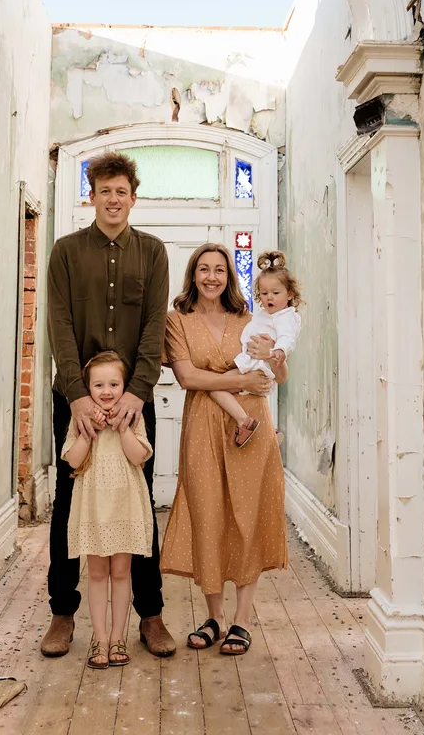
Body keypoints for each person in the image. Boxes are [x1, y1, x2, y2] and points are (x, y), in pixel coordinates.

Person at [41, 151, 175, 659]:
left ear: (133, 198)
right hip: (77, 403)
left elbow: (153, 329)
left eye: (122, 191)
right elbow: (59, 324)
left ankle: (152, 614)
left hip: (134, 401)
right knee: (69, 502)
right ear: (90, 196)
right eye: (104, 191)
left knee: (139, 503)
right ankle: (62, 612)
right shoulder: (66, 252)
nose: (113, 199)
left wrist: (138, 394)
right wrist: (76, 394)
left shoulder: (154, 252)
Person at [160, 243, 288, 657]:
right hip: (202, 426)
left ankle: (242, 621)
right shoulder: (177, 321)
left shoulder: (252, 319)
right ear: (193, 275)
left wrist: (275, 360)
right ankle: (214, 616)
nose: (212, 277)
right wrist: (241, 383)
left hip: (251, 427)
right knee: (208, 512)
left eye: (220, 270)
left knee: (247, 514)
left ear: (230, 277)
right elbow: (188, 377)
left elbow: (277, 375)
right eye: (204, 269)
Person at [62, 352, 153, 669]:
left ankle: (118, 638)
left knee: (121, 572)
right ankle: (99, 640)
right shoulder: (81, 420)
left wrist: (122, 427)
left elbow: (139, 456)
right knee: (98, 573)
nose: (106, 390)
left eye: (114, 383)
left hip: (124, 506)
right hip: (94, 509)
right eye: (98, 384)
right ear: (88, 389)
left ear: (124, 386)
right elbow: (73, 461)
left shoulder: (132, 418)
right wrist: (90, 432)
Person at [210, 250, 302, 447]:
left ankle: (245, 422)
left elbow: (287, 337)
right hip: (252, 363)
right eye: (264, 293)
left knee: (215, 388)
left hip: (258, 366)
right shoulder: (262, 314)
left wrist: (278, 351)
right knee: (229, 391)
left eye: (276, 293)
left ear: (290, 295)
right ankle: (269, 430)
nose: (270, 298)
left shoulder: (286, 317)